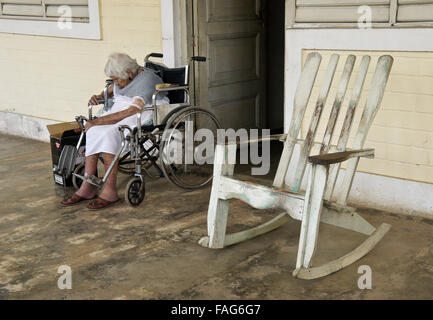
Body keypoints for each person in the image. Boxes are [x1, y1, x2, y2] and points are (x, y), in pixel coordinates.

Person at [61, 52, 168, 210]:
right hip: (124, 107)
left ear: (129, 73)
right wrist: (98, 96)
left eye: (117, 79)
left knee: (109, 133)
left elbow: (131, 111)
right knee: (92, 130)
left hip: (142, 111)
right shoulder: (125, 76)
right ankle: (87, 186)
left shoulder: (146, 81)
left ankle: (110, 191)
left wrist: (98, 121)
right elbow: (112, 88)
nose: (115, 83)